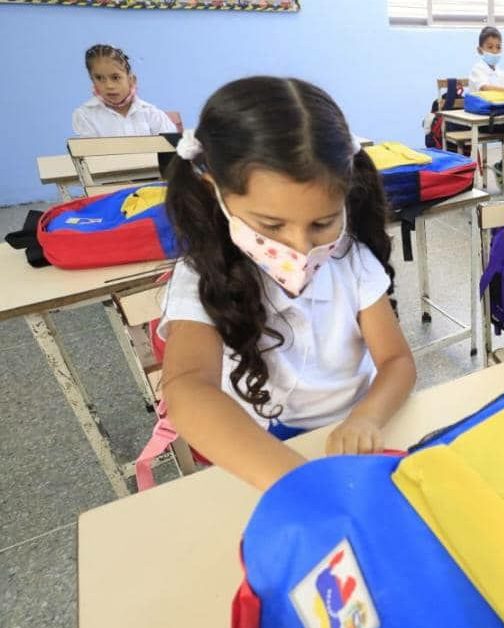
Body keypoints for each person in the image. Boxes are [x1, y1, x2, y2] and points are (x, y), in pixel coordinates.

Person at [159, 77, 416, 491]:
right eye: (271, 225)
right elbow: (188, 386)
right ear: (215, 188)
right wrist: (296, 481)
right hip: (261, 448)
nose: (300, 246)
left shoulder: (351, 259)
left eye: (322, 222)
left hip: (357, 428)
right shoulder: (201, 275)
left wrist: (367, 417)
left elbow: (397, 362)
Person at [73, 44, 177, 137]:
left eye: (115, 77)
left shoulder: (152, 114)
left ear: (131, 80)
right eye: (99, 78)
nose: (109, 85)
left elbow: (173, 152)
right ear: (92, 80)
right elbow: (90, 155)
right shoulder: (85, 115)